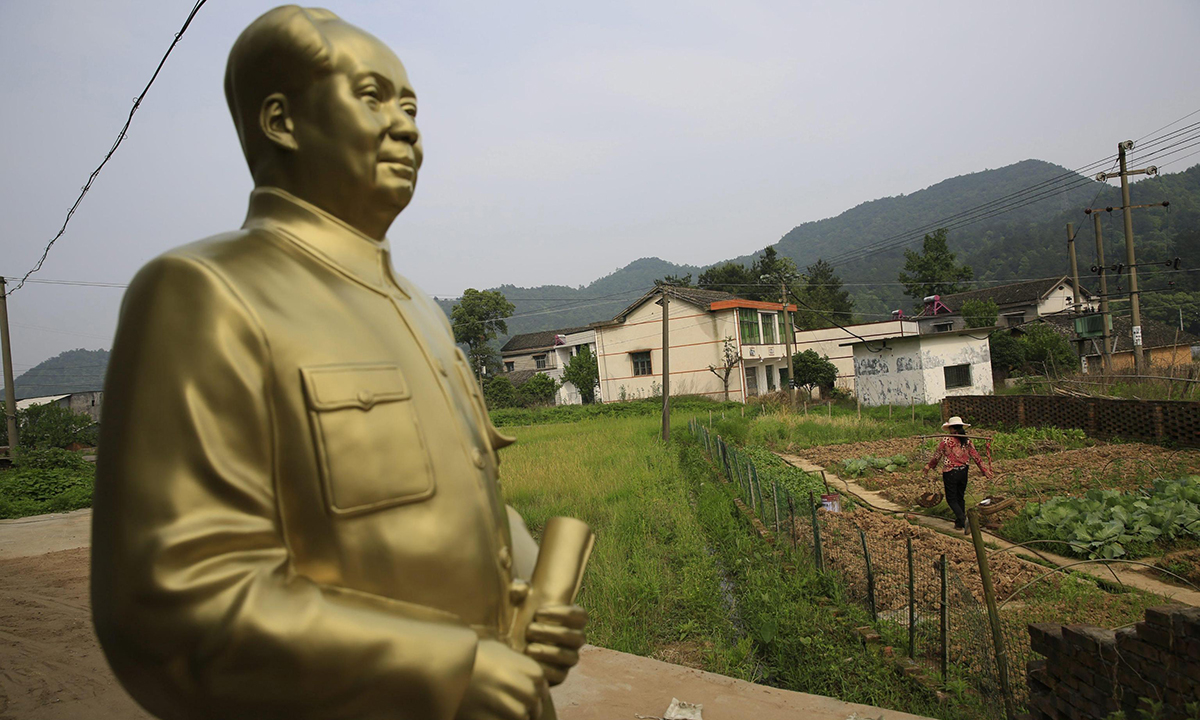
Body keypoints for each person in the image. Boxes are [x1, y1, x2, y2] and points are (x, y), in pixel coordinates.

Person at [91, 7, 583, 720]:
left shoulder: (420, 308)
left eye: (412, 106)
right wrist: (443, 670)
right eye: (373, 96)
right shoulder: (208, 294)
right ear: (282, 121)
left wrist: (531, 586)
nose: (407, 126)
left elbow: (459, 497)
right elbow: (176, 600)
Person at [921, 416, 992, 535]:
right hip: (963, 471)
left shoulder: (946, 441)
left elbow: (937, 456)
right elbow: (976, 457)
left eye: (950, 429)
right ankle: (959, 523)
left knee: (951, 499)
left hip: (951, 472)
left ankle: (964, 519)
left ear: (953, 429)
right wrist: (984, 470)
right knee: (960, 497)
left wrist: (928, 466)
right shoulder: (967, 441)